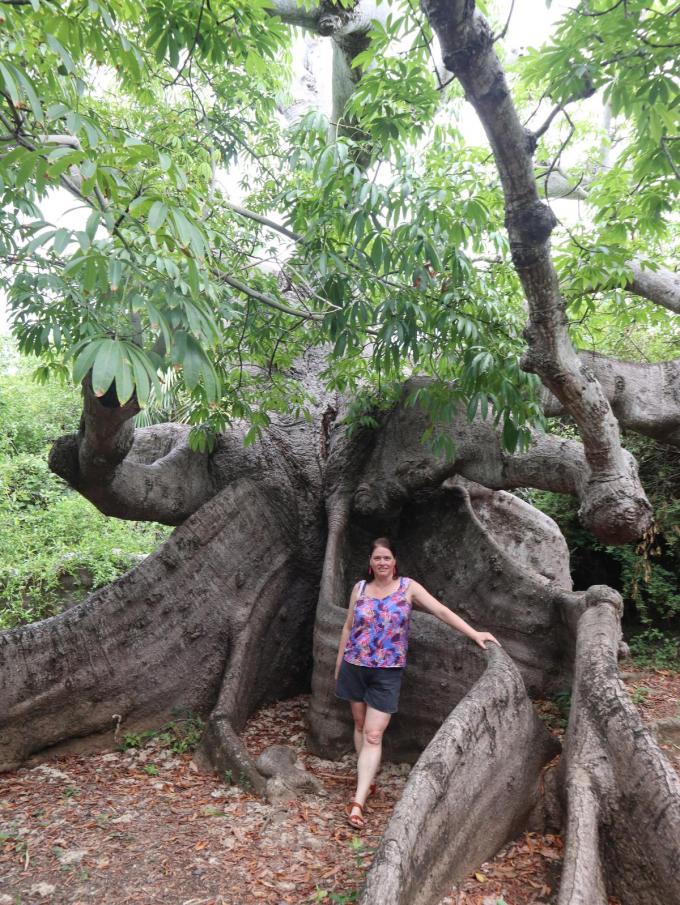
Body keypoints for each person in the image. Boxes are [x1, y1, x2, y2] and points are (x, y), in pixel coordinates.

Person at [334, 536, 499, 830]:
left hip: (387, 672)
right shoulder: (359, 589)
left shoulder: (408, 588)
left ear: (394, 561)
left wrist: (474, 633)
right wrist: (338, 666)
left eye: (386, 558)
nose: (382, 562)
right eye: (377, 558)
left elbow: (441, 611)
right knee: (359, 725)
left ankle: (357, 802)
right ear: (370, 564)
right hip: (354, 666)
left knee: (373, 734)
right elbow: (348, 627)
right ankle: (367, 780)